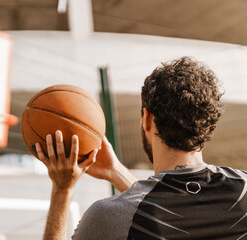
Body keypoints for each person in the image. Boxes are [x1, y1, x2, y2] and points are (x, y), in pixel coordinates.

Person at [35, 56, 247, 240]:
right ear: (209, 125)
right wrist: (115, 172)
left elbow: (144, 210)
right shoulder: (243, 190)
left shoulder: (107, 217)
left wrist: (62, 190)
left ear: (147, 118)